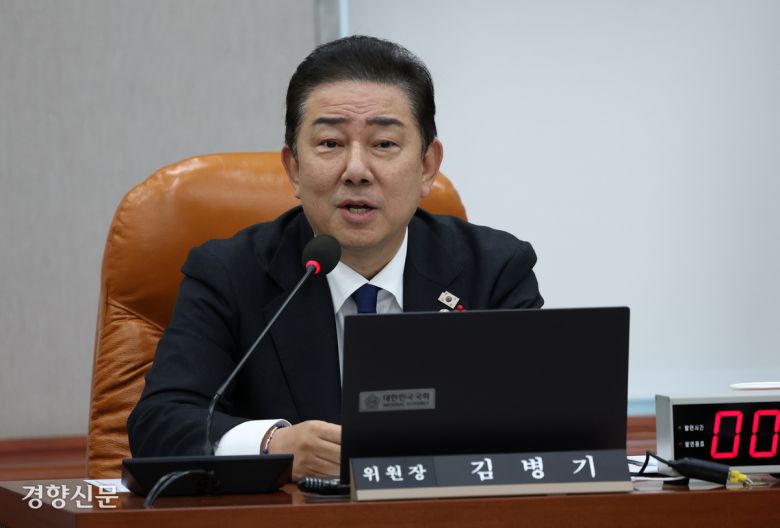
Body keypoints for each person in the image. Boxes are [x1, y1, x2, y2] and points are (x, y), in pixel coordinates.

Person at [128, 35, 543, 481]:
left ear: (427, 167)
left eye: (384, 144)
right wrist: (273, 446)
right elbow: (159, 424)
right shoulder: (229, 274)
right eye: (330, 143)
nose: (356, 171)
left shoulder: (494, 270)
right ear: (293, 168)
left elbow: (541, 422)